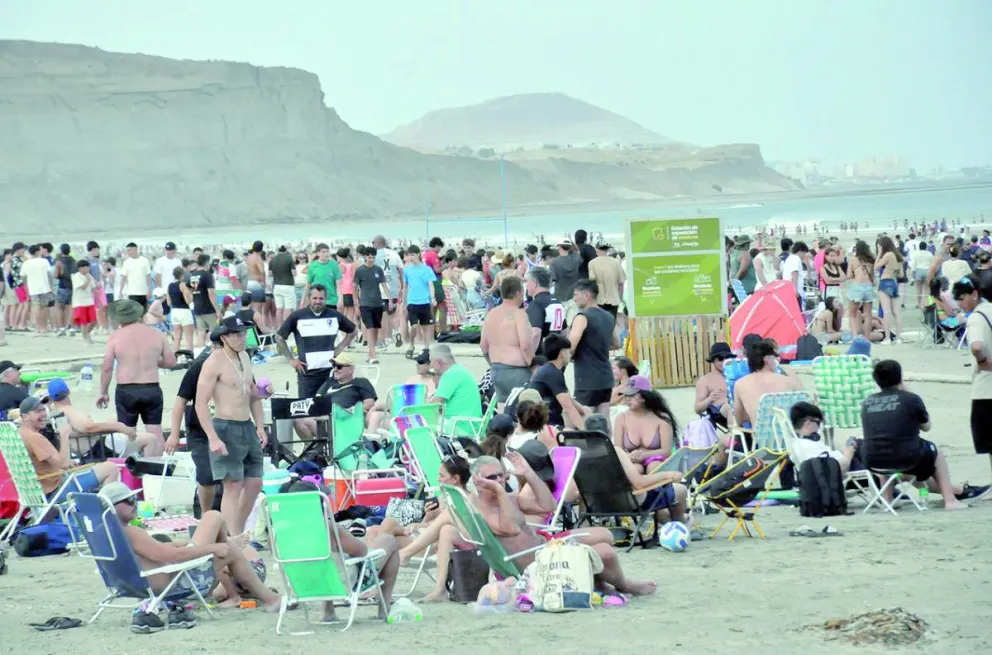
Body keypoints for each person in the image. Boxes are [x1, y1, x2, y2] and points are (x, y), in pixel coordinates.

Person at [101, 481, 281, 631]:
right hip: (176, 583)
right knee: (215, 519)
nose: (135, 504)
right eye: (129, 500)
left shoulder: (108, 534)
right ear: (112, 507)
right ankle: (271, 600)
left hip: (138, 585)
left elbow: (156, 550)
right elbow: (174, 556)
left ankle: (231, 547)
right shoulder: (131, 532)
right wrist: (213, 548)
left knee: (217, 526)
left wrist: (188, 543)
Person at [469, 454, 656, 595]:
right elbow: (510, 529)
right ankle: (624, 585)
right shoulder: (481, 510)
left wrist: (529, 474)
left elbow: (548, 506)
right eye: (492, 478)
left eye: (501, 476)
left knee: (604, 534)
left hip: (546, 545)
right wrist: (500, 493)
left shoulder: (509, 499)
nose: (499, 481)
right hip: (535, 564)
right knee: (605, 552)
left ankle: (598, 581)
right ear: (477, 482)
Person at [861, 360, 986, 508]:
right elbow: (927, 427)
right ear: (900, 377)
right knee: (935, 452)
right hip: (906, 457)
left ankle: (887, 500)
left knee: (884, 445)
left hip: (872, 459)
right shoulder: (910, 399)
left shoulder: (868, 401)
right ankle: (950, 500)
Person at [283, 480, 399, 620]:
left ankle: (328, 612)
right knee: (389, 541)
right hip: (341, 586)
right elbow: (362, 551)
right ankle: (384, 607)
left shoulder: (280, 530)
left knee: (326, 561)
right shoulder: (329, 528)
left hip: (301, 584)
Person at [195, 316, 268, 534]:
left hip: (247, 425)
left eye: (244, 333)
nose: (242, 338)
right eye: (237, 334)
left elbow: (252, 394)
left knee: (255, 483)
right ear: (225, 337)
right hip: (225, 426)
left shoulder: (245, 356)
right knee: (232, 485)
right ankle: (234, 537)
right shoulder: (213, 362)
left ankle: (237, 529)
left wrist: (261, 426)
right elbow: (200, 403)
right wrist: (213, 437)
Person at [380, 457, 472, 603]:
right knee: (382, 526)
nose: (438, 479)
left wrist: (427, 524)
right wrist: (424, 521)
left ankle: (400, 558)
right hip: (424, 538)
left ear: (455, 478)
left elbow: (446, 529)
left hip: (432, 547)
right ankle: (369, 580)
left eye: (442, 476)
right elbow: (434, 525)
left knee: (387, 529)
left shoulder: (465, 500)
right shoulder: (444, 496)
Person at [98, 299, 174, 450]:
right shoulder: (157, 334)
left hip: (126, 389)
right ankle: (157, 467)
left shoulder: (116, 336)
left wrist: (103, 392)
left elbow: (107, 368)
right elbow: (170, 362)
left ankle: (132, 468)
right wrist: (152, 361)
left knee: (128, 431)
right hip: (151, 387)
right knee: (155, 430)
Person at [19, 396, 119, 501]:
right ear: (25, 417)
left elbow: (49, 463)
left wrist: (66, 462)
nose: (44, 414)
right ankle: (105, 510)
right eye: (38, 411)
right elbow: (64, 464)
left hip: (40, 490)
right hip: (56, 491)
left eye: (43, 409)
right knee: (110, 468)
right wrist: (64, 435)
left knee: (91, 467)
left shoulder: (20, 433)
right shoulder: (35, 438)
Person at [275, 284, 357, 399]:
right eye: (315, 298)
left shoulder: (334, 315)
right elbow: (279, 337)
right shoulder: (297, 316)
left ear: (325, 299)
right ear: (309, 298)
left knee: (329, 408)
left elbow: (353, 331)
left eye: (321, 298)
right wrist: (291, 360)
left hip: (330, 371)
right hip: (306, 373)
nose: (318, 301)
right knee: (307, 410)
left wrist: (340, 348)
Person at [166, 344, 219, 514]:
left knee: (234, 477)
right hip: (199, 430)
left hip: (228, 426)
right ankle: (206, 514)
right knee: (206, 475)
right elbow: (180, 401)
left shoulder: (239, 362)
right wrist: (174, 434)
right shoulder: (199, 366)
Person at [48, 378, 160, 458]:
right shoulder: (69, 411)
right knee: (150, 439)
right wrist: (118, 427)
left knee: (114, 418)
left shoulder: (55, 412)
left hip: (86, 448)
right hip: (99, 449)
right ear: (68, 391)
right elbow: (88, 427)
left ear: (51, 398)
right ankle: (147, 477)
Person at [953, 275, 992, 483]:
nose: (960, 303)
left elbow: (976, 345)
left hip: (986, 387)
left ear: (974, 294)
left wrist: (982, 360)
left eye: (962, 298)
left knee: (989, 442)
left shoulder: (976, 317)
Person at [481, 277, 535, 409]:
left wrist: (492, 363)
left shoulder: (492, 314)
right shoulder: (519, 314)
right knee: (524, 413)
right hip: (517, 371)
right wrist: (533, 367)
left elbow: (483, 345)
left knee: (503, 410)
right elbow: (525, 345)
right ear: (518, 293)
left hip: (497, 370)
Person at [569, 279, 618, 417]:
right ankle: (606, 439)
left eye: (576, 295)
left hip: (587, 377)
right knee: (603, 417)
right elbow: (616, 343)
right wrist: (597, 345)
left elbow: (571, 346)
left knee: (583, 416)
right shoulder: (609, 316)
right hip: (606, 376)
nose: (574, 299)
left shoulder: (582, 317)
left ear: (587, 295)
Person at [732, 338, 803, 430]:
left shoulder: (740, 384)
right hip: (789, 438)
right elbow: (805, 405)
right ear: (766, 360)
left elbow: (739, 420)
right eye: (774, 357)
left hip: (761, 440)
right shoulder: (788, 381)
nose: (776, 359)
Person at [613, 375, 679, 472]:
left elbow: (666, 451)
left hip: (656, 460)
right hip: (631, 460)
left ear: (644, 397)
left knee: (654, 466)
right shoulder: (621, 418)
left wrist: (644, 455)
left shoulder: (661, 418)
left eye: (632, 395)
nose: (627, 399)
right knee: (635, 469)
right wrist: (630, 456)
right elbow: (618, 450)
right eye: (626, 395)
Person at [527, 334, 588, 429]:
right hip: (543, 424)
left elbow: (568, 399)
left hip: (543, 420)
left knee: (584, 411)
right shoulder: (553, 373)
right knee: (570, 433)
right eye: (568, 352)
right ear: (561, 354)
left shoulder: (548, 370)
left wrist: (584, 411)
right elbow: (568, 408)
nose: (570, 355)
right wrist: (587, 432)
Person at [787, 401, 862, 473]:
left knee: (855, 441)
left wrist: (846, 448)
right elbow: (838, 470)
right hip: (848, 467)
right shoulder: (807, 448)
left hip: (843, 459)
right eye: (818, 423)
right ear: (808, 424)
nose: (819, 427)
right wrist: (848, 455)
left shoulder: (802, 443)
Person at [353, 247, 391, 364]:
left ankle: (371, 353)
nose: (371, 259)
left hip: (377, 302)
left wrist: (390, 299)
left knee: (375, 329)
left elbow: (384, 285)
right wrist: (356, 304)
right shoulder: (360, 271)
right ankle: (373, 355)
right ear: (365, 257)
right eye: (369, 257)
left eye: (373, 257)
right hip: (365, 303)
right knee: (369, 328)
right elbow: (354, 288)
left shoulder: (378, 269)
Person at [429, 344, 482, 422]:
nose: (430, 365)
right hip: (469, 424)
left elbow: (435, 404)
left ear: (439, 363)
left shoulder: (451, 375)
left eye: (431, 361)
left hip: (459, 426)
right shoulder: (459, 370)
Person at [401, 245, 437, 357]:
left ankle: (426, 348)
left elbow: (431, 284)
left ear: (418, 254)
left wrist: (433, 298)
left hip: (425, 301)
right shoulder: (407, 270)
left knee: (426, 327)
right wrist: (404, 302)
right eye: (409, 255)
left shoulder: (426, 269)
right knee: (414, 326)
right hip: (412, 301)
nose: (411, 257)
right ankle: (411, 345)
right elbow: (405, 287)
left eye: (413, 254)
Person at [525, 266, 566, 357]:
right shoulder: (558, 303)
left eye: (527, 282)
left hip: (541, 356)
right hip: (556, 356)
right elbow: (564, 331)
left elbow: (535, 333)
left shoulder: (536, 304)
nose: (526, 285)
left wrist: (529, 357)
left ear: (534, 283)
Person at [186, 253, 221, 347]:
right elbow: (211, 294)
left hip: (197, 307)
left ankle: (201, 353)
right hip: (208, 307)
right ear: (206, 263)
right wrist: (218, 310)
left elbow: (187, 287)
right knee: (215, 331)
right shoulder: (207, 275)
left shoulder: (193, 275)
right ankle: (215, 352)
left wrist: (192, 297)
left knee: (201, 332)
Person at [693, 342, 731, 425]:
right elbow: (697, 408)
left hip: (740, 409)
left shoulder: (736, 375)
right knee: (731, 407)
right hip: (721, 412)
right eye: (721, 359)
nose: (724, 362)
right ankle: (737, 437)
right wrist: (709, 399)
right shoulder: (705, 381)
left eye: (727, 358)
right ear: (713, 360)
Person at [875, 236, 904, 343]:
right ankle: (899, 337)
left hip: (885, 282)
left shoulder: (887, 255)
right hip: (894, 282)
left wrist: (878, 254)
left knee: (887, 312)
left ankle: (887, 338)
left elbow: (876, 267)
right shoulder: (898, 256)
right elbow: (901, 274)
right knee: (896, 312)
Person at [847, 240, 877, 341]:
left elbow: (849, 275)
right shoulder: (871, 260)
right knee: (868, 315)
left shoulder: (853, 259)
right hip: (868, 286)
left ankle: (855, 336)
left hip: (857, 286)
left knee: (852, 314)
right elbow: (873, 277)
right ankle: (867, 337)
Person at [588, 242, 626, 318]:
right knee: (612, 323)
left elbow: (592, 281)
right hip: (614, 299)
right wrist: (620, 297)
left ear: (596, 250)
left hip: (599, 300)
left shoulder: (592, 263)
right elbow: (621, 283)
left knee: (600, 323)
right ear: (608, 249)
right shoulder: (616, 262)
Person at [22, 245, 54, 333]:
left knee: (36, 306)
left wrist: (26, 288)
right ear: (36, 252)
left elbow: (23, 277)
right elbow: (50, 275)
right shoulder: (44, 261)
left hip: (33, 288)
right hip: (44, 287)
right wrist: (51, 287)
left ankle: (39, 327)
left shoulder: (26, 263)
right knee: (44, 307)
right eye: (39, 250)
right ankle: (45, 327)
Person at [549, 241, 580, 323]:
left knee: (560, 324)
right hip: (573, 296)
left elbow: (552, 281)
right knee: (572, 323)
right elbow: (577, 251)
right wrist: (571, 242)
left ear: (559, 248)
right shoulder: (575, 259)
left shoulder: (554, 262)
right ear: (569, 248)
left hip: (560, 297)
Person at [70, 259, 97, 344]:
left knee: (93, 321)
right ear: (80, 268)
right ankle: (85, 338)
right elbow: (83, 286)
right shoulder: (76, 276)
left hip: (89, 301)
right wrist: (88, 280)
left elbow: (93, 287)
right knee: (83, 321)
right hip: (80, 302)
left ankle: (87, 334)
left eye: (88, 267)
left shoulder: (89, 275)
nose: (88, 269)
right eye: (86, 267)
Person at [268, 245, 296, 326]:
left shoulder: (273, 260)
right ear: (286, 250)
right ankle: (287, 327)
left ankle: (279, 327)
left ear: (278, 250)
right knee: (288, 308)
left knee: (279, 308)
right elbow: (294, 273)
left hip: (277, 286)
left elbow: (270, 274)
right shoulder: (289, 258)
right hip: (288, 285)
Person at [244, 240, 269, 332]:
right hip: (257, 283)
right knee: (258, 309)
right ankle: (258, 329)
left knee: (252, 307)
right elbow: (262, 271)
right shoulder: (258, 258)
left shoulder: (249, 258)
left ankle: (252, 327)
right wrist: (264, 282)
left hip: (249, 283)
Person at [119, 242, 152, 309]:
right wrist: (120, 291)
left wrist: (149, 290)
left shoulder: (145, 261)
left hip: (143, 292)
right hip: (132, 293)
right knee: (134, 314)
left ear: (135, 249)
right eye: (127, 250)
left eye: (129, 250)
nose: (128, 252)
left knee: (144, 313)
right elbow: (123, 278)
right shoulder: (126, 262)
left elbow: (148, 277)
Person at [909, 241, 935, 309]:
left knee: (918, 288)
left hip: (918, 270)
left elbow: (913, 264)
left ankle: (918, 303)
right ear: (926, 247)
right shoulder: (929, 254)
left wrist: (913, 274)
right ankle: (928, 303)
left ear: (919, 247)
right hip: (927, 270)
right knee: (927, 288)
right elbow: (932, 263)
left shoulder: (916, 254)